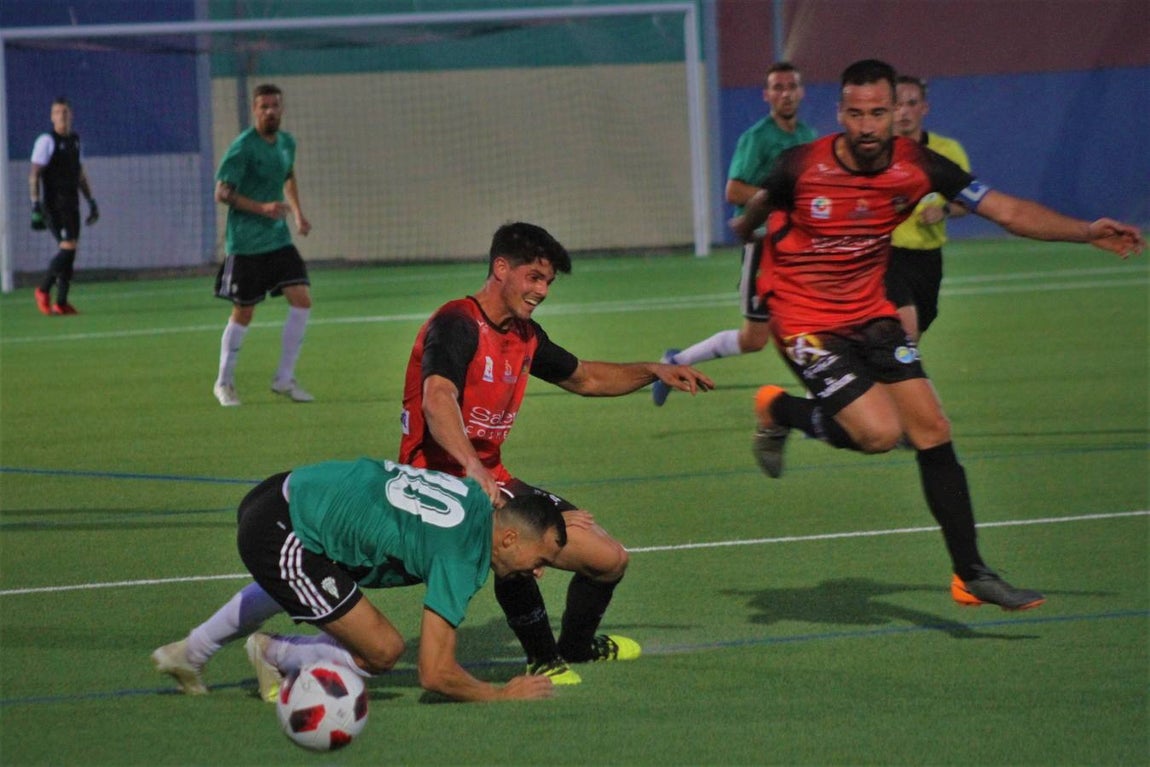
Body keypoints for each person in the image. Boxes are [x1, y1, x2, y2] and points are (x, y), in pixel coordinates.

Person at [730, 59, 1144, 611]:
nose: (869, 126)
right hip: (806, 321)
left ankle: (971, 573)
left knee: (931, 428)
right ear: (840, 113)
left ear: (895, 111)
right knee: (878, 435)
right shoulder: (799, 166)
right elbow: (746, 220)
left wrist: (1085, 230)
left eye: (879, 113)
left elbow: (1008, 211)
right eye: (856, 114)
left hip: (871, 312)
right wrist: (756, 224)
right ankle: (779, 410)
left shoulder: (920, 165)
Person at [400, 221, 714, 683]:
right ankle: (543, 658)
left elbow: (585, 378)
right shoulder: (456, 323)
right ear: (501, 269)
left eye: (548, 282)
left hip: (489, 475)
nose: (542, 291)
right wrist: (475, 472)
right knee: (519, 541)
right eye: (534, 278)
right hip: (434, 480)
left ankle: (577, 647)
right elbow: (437, 397)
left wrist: (653, 370)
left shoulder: (525, 334)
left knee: (609, 559)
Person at [153, 456, 565, 703]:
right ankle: (274, 653)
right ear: (509, 537)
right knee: (383, 651)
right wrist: (499, 694)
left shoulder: (478, 499)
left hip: (283, 491)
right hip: (281, 529)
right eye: (540, 558)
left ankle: (189, 653)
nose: (539, 571)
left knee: (299, 582)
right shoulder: (460, 557)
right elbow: (434, 673)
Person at [652, 62, 816, 406]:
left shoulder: (808, 138)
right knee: (754, 338)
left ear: (801, 91)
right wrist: (776, 200)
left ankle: (819, 401)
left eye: (791, 86)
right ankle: (676, 362)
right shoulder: (757, 138)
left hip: (800, 248)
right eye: (778, 87)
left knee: (814, 320)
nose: (785, 93)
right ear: (767, 95)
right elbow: (734, 191)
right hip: (764, 247)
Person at [212, 83, 314, 407]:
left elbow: (288, 175)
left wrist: (297, 213)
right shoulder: (243, 148)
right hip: (246, 243)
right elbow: (222, 192)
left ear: (281, 109)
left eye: (274, 106)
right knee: (244, 311)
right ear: (255, 110)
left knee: (302, 300)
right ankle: (224, 383)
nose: (270, 111)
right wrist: (262, 208)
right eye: (263, 107)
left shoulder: (286, 143)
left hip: (277, 239)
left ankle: (284, 378)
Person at [886, 75, 971, 341]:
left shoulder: (947, 150)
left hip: (928, 257)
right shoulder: (876, 151)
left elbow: (967, 202)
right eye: (897, 104)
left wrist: (943, 211)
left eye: (911, 103)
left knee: (913, 335)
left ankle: (883, 379)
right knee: (905, 330)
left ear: (924, 108)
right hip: (886, 254)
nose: (903, 112)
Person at [29, 97, 98, 316]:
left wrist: (91, 202)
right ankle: (42, 289)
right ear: (52, 117)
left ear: (71, 114)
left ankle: (61, 302)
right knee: (67, 247)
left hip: (72, 203)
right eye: (58, 112)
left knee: (70, 251)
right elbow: (34, 174)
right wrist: (35, 205)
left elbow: (79, 174)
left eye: (65, 111)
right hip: (54, 205)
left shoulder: (75, 140)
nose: (62, 116)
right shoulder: (46, 141)